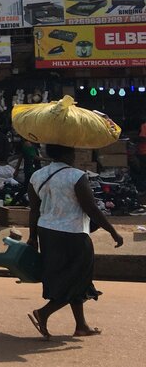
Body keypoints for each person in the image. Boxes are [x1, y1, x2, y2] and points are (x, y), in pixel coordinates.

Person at [27, 144, 124, 339]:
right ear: (67, 154)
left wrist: (32, 237)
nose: (74, 155)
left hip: (47, 233)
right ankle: (44, 313)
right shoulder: (76, 176)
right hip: (73, 234)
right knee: (80, 279)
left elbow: (34, 210)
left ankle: (81, 325)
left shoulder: (37, 176)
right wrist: (113, 231)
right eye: (72, 152)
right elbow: (91, 208)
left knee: (67, 277)